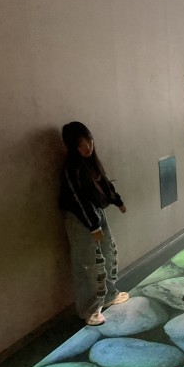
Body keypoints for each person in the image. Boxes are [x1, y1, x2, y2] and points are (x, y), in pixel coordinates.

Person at [59, 122, 130, 326]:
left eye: (89, 141)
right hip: (79, 218)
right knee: (88, 262)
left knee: (108, 252)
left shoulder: (91, 163)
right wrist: (93, 225)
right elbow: (76, 199)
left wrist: (118, 201)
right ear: (73, 147)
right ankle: (89, 309)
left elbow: (105, 183)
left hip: (95, 213)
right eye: (81, 144)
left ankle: (108, 295)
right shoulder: (71, 168)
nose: (87, 147)